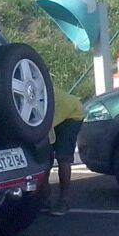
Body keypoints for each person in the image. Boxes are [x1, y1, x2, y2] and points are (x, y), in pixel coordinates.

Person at [42, 85, 85, 216]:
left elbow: (43, 130)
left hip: (72, 114)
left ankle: (64, 201)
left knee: (63, 157)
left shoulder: (42, 99)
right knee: (45, 157)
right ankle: (44, 198)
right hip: (57, 114)